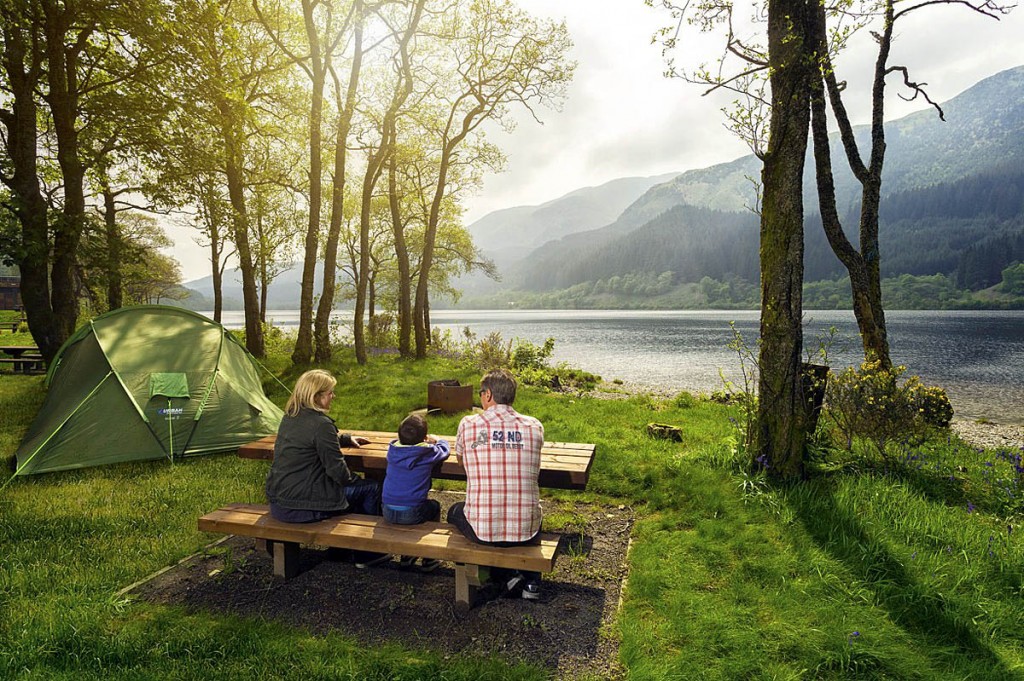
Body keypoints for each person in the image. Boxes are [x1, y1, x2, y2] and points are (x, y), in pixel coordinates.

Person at [264, 369, 390, 568]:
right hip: (303, 507)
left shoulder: (291, 416)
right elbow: (338, 472)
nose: (333, 396)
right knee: (371, 488)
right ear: (316, 396)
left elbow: (309, 440)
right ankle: (367, 553)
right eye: (329, 392)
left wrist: (344, 438)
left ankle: (340, 548)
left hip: (280, 501)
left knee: (355, 491)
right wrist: (355, 479)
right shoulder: (321, 425)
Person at [446, 368, 546, 600]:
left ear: (488, 395)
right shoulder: (534, 426)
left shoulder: (468, 424)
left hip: (482, 531)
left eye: (481, 394)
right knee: (528, 513)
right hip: (526, 531)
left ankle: (494, 577)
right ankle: (529, 582)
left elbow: (462, 462)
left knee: (454, 512)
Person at [382, 413, 450, 571]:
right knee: (433, 506)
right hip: (412, 512)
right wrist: (439, 440)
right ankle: (429, 558)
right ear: (425, 437)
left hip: (386, 510)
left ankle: (407, 555)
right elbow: (444, 451)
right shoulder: (427, 453)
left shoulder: (392, 451)